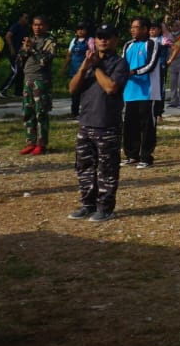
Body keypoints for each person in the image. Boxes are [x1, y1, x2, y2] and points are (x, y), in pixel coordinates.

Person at [69, 23, 130, 223]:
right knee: (84, 167)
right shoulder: (88, 63)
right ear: (94, 40)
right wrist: (84, 67)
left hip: (107, 125)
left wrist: (96, 66)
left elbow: (111, 88)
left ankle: (105, 208)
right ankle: (88, 204)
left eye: (108, 36)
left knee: (107, 169)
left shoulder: (119, 63)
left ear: (115, 40)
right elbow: (72, 88)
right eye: (100, 36)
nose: (103, 40)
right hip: (86, 123)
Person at [121, 17, 162, 169]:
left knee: (147, 125)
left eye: (136, 27)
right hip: (130, 91)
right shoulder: (128, 45)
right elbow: (122, 63)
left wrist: (134, 72)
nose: (132, 30)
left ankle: (146, 157)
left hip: (147, 92)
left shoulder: (152, 44)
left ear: (145, 29)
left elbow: (151, 64)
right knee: (130, 124)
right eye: (131, 27)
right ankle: (132, 155)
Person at [15, 15, 57, 156]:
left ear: (46, 26)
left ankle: (41, 143)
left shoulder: (49, 41)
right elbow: (19, 61)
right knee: (28, 112)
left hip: (41, 81)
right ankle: (30, 142)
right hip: (28, 79)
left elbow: (44, 61)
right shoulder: (29, 40)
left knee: (41, 113)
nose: (37, 28)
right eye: (35, 25)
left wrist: (33, 49)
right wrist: (25, 49)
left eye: (40, 25)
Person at [0, 13, 30, 97]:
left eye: (28, 18)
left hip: (21, 53)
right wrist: (11, 48)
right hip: (14, 52)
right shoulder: (16, 26)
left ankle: (18, 92)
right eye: (25, 18)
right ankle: (2, 89)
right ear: (20, 18)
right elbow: (7, 36)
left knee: (21, 72)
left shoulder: (25, 28)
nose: (27, 20)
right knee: (15, 71)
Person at [65, 24, 90, 119]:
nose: (80, 31)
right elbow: (69, 55)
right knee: (74, 93)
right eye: (78, 29)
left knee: (85, 93)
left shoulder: (89, 41)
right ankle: (74, 113)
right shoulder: (73, 41)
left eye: (82, 29)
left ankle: (85, 113)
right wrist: (64, 67)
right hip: (74, 71)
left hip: (85, 71)